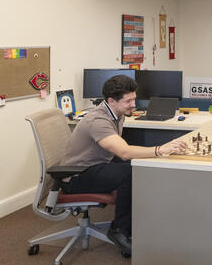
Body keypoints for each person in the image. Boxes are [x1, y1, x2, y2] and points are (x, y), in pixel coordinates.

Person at [60, 74, 186, 255]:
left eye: (134, 99)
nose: (134, 105)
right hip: (76, 176)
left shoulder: (117, 113)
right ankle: (119, 230)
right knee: (130, 172)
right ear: (111, 100)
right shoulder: (98, 120)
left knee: (140, 165)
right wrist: (160, 150)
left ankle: (133, 225)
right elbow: (124, 152)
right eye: (129, 101)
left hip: (97, 165)